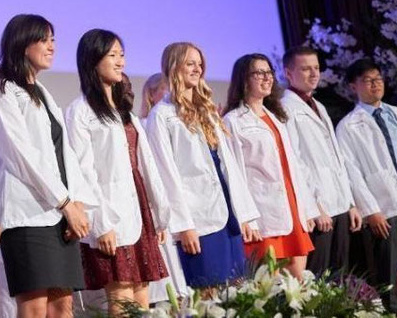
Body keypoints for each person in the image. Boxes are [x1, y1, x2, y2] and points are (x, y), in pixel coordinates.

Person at [0, 14, 96, 318]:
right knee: (34, 307)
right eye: (44, 40)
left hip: (57, 214)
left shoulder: (42, 92)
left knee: (62, 305)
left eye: (53, 40)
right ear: (22, 44)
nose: (52, 46)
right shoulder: (3, 89)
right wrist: (65, 202)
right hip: (28, 216)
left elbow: (64, 153)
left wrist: (77, 202)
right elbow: (21, 155)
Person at [65, 29, 170, 314]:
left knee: (142, 299)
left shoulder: (125, 111)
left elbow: (144, 166)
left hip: (138, 209)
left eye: (121, 54)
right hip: (110, 213)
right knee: (122, 300)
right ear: (92, 60)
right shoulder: (81, 111)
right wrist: (100, 223)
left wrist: (158, 214)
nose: (120, 61)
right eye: (112, 55)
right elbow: (83, 171)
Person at [146, 43, 260, 289]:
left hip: (228, 214)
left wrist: (244, 215)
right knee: (209, 293)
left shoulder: (207, 110)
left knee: (238, 290)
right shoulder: (162, 115)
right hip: (199, 219)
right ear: (173, 67)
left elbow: (228, 166)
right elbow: (166, 174)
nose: (197, 69)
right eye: (190, 63)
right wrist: (184, 225)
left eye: (200, 64)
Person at [336, 59, 397, 316]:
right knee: (386, 273)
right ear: (353, 86)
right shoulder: (348, 126)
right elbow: (352, 173)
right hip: (382, 205)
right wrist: (371, 210)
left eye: (378, 79)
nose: (375, 84)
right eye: (367, 80)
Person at [223, 53, 318, 280]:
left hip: (291, 206)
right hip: (262, 210)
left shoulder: (275, 117)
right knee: (270, 284)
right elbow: (233, 174)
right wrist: (246, 217)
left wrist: (307, 208)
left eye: (269, 72)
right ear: (244, 79)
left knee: (299, 281)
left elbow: (292, 167)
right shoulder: (233, 120)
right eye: (259, 73)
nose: (267, 78)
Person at [280, 47, 363, 276]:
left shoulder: (319, 106)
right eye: (306, 69)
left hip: (339, 204)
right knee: (318, 278)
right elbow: (295, 163)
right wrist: (314, 207)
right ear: (288, 73)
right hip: (320, 209)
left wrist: (350, 203)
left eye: (316, 68)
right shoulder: (286, 109)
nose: (314, 73)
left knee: (340, 278)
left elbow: (336, 159)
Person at [136, 74, 190, 302]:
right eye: (164, 90)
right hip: (156, 201)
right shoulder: (144, 124)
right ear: (150, 94)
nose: (170, 95)